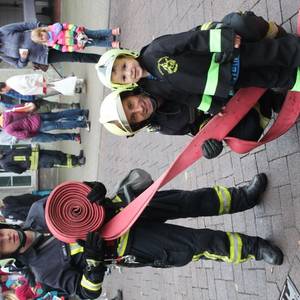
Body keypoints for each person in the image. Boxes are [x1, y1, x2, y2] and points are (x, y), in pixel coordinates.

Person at [0, 171, 283, 298]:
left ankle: (244, 197)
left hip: (128, 208)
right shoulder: (42, 271)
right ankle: (255, 249)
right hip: (130, 243)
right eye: (0, 246)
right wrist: (95, 263)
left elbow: (79, 193)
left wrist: (93, 188)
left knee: (190, 200)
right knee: (198, 244)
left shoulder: (39, 210)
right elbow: (87, 292)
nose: (5, 239)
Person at [96, 11, 299, 115]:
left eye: (124, 66)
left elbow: (190, 40)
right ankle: (293, 79)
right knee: (265, 78)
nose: (128, 72)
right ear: (125, 85)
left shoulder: (155, 50)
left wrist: (223, 40)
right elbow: (184, 96)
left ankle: (295, 50)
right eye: (123, 77)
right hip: (228, 82)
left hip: (228, 59)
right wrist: (210, 106)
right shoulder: (150, 87)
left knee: (269, 54)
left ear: (126, 55)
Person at [99, 87, 285, 158]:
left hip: (228, 77)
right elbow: (196, 127)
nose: (139, 109)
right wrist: (209, 143)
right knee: (245, 137)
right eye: (134, 117)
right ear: (138, 125)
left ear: (130, 93)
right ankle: (267, 101)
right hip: (226, 105)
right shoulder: (165, 126)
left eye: (130, 104)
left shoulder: (155, 75)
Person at [0, 21, 101, 70]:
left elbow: (26, 25)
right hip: (44, 56)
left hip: (49, 37)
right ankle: (104, 60)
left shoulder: (4, 31)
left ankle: (105, 39)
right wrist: (23, 58)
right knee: (76, 57)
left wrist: (44, 28)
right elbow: (18, 65)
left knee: (79, 40)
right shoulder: (3, 54)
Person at [0, 108, 90, 143]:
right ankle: (82, 112)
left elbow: (24, 134)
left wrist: (32, 133)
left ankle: (83, 124)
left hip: (36, 127)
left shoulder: (7, 129)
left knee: (60, 125)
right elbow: (22, 108)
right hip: (36, 116)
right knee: (60, 114)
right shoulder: (6, 112)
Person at [0, 145, 86, 174]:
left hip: (36, 152)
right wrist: (27, 164)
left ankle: (76, 157)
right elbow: (19, 171)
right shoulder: (5, 164)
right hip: (37, 161)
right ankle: (77, 162)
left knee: (58, 153)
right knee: (57, 160)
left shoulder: (5, 153)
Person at [31, 23, 121, 50]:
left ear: (42, 31)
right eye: (41, 39)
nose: (43, 37)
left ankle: (112, 32)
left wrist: (77, 29)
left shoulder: (54, 28)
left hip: (79, 32)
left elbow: (67, 26)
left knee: (95, 34)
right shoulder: (52, 44)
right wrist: (77, 47)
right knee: (95, 42)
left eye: (41, 35)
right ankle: (112, 44)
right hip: (79, 43)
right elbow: (64, 49)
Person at [1, 74, 83, 97]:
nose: (4, 93)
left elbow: (27, 81)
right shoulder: (11, 82)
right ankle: (77, 83)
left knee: (61, 84)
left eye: (2, 92)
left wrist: (43, 84)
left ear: (2, 89)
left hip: (42, 84)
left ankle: (78, 82)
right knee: (61, 84)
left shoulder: (12, 82)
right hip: (41, 85)